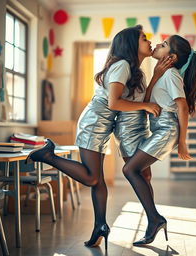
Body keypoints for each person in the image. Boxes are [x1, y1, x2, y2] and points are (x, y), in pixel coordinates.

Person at [25, 25, 172, 250]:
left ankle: (100, 227)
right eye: (144, 38)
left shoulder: (135, 71)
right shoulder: (122, 65)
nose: (149, 41)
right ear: (132, 44)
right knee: (93, 178)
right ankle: (49, 156)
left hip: (105, 125)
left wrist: (156, 77)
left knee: (100, 180)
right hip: (94, 123)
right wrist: (145, 104)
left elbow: (134, 102)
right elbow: (114, 103)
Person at [121, 35, 196, 246]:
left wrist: (182, 142)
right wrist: (155, 76)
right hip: (159, 129)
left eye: (163, 45)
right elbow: (147, 102)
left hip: (166, 130)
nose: (157, 44)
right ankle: (153, 220)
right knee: (142, 174)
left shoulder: (172, 74)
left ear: (172, 57)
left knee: (130, 170)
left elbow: (182, 107)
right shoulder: (162, 74)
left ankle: (155, 219)